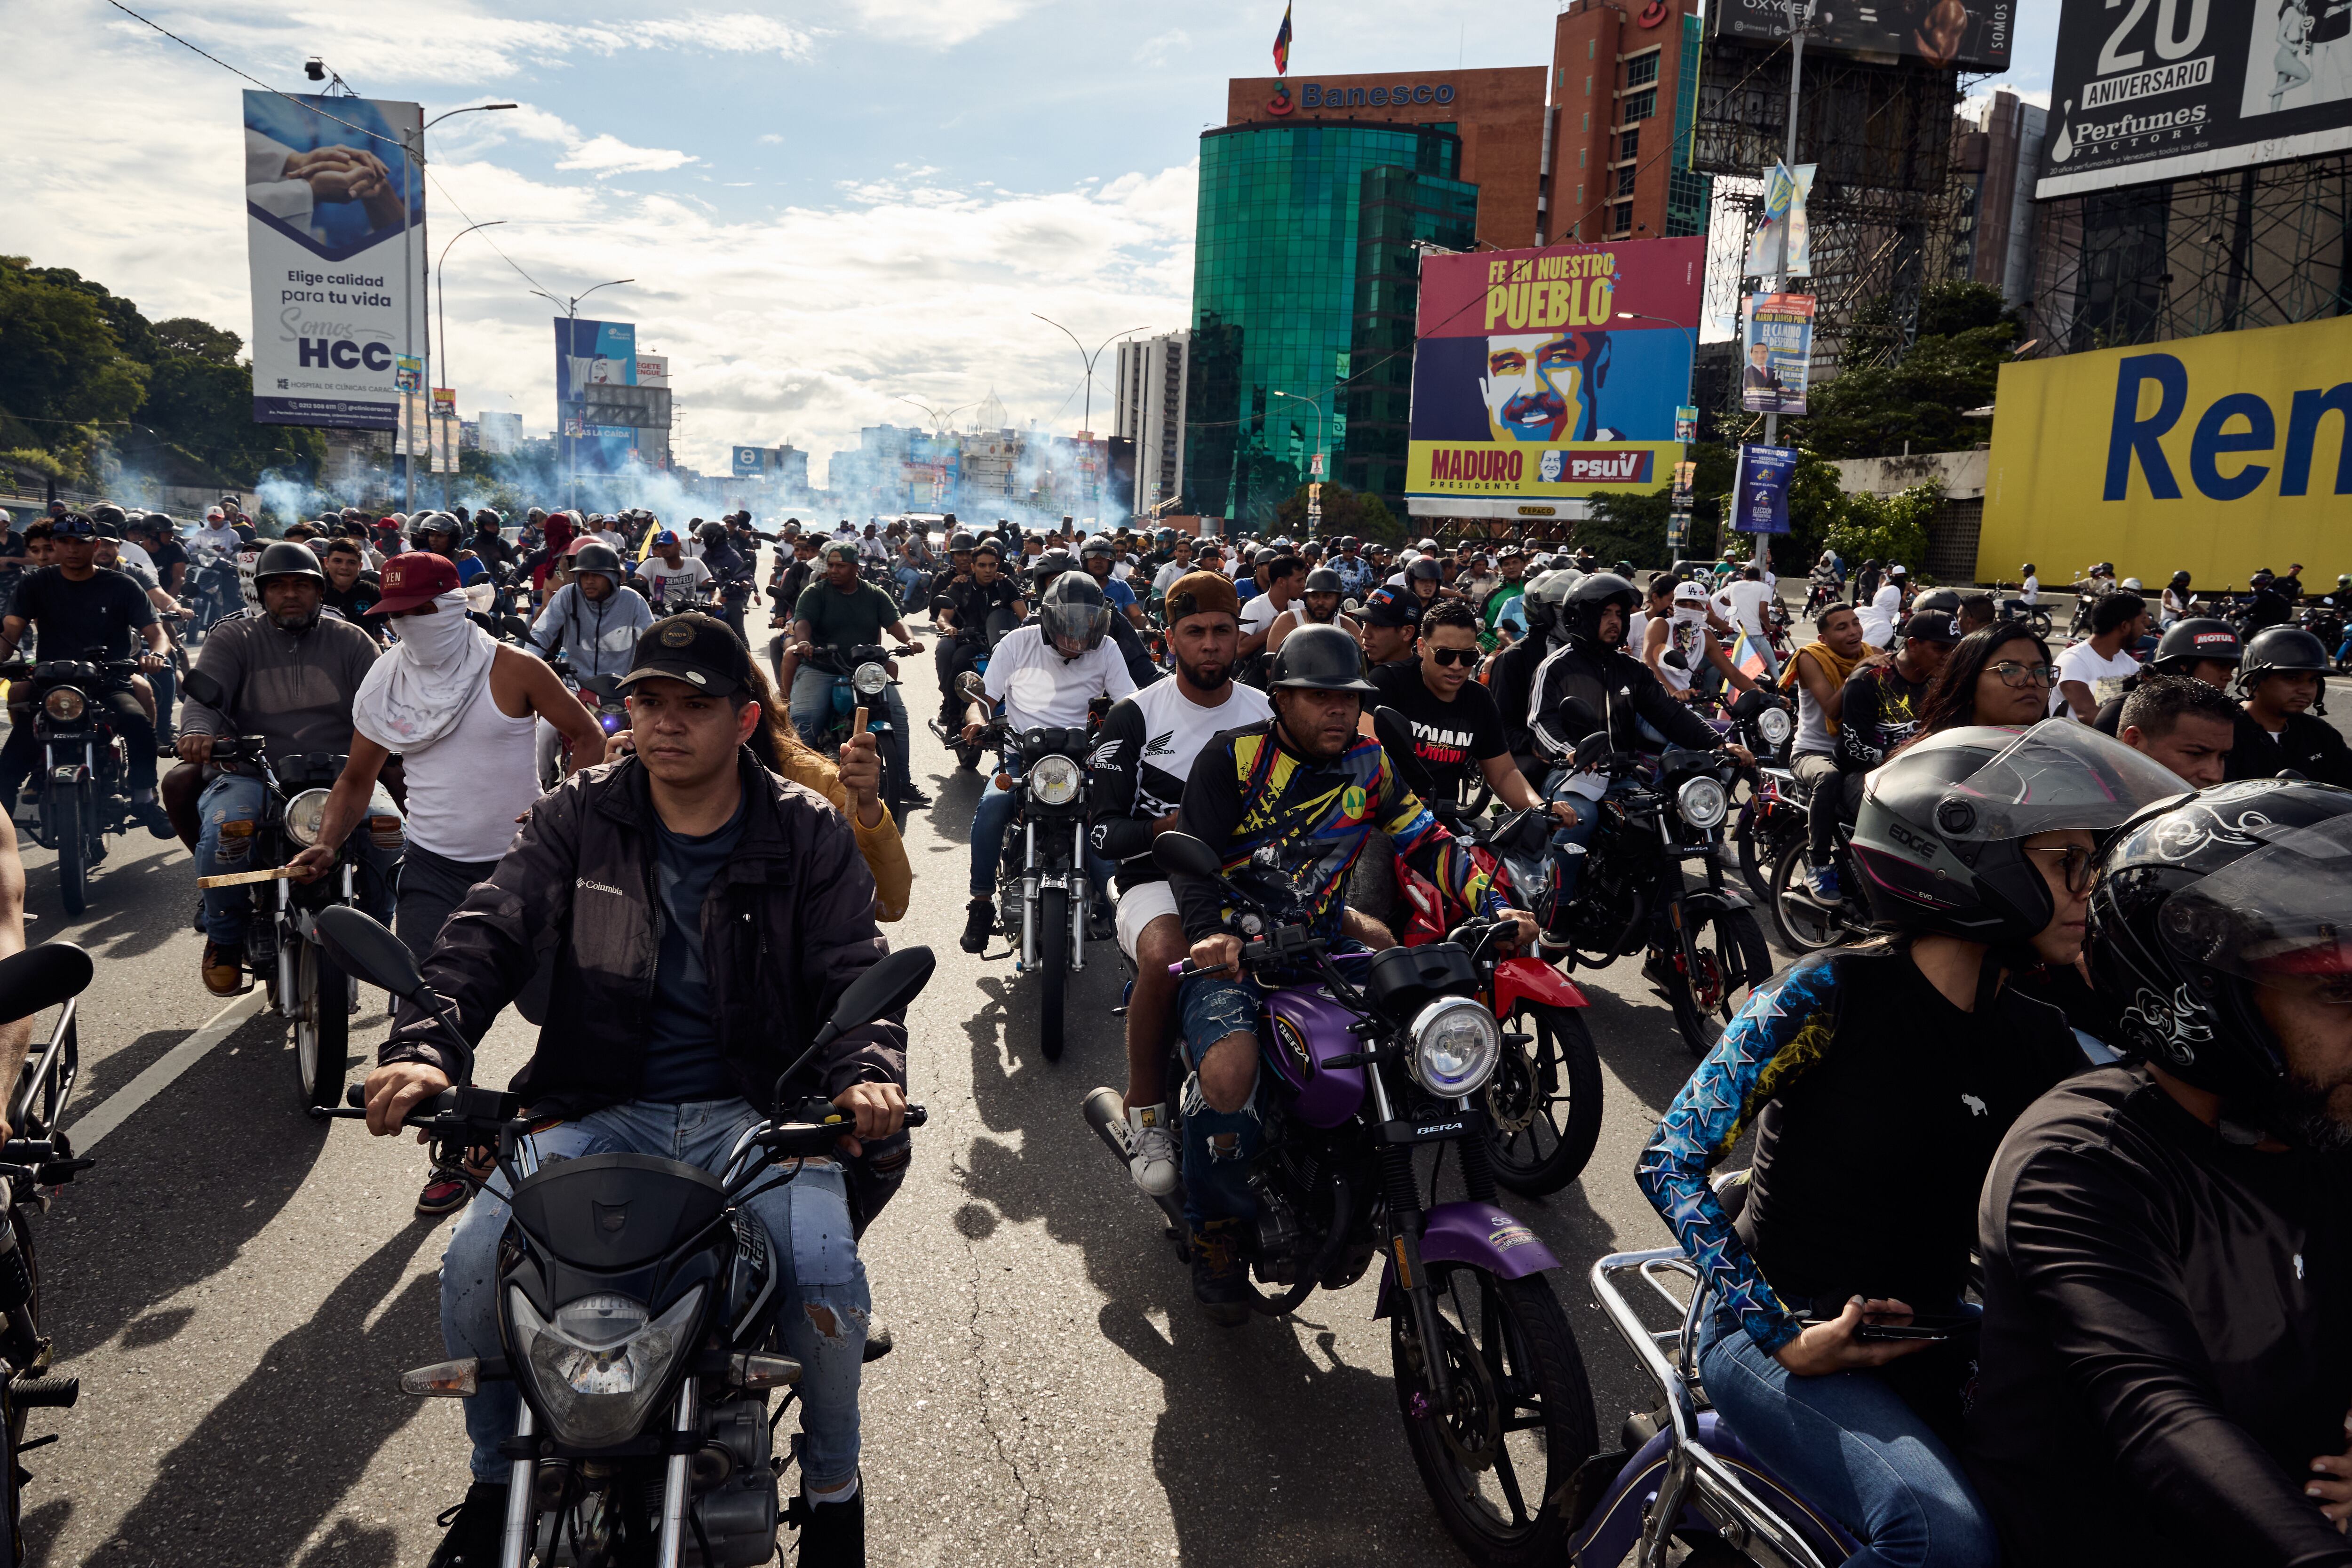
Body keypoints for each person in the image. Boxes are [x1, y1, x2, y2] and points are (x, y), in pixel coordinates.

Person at [364, 614, 905, 1568]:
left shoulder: (806, 828)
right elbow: (489, 927)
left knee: (825, 1275)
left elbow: (851, 963)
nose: (665, 723)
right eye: (648, 701)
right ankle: (495, 1477)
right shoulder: (582, 812)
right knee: (468, 1268)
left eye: (693, 705)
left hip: (758, 1117)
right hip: (592, 1103)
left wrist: (865, 1072)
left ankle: (833, 1491)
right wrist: (426, 1045)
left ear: (744, 720)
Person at [1639, 723, 2186, 1568]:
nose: (2089, 890)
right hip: (1776, 1328)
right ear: (1976, 863)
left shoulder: (2038, 1034)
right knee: (1941, 1540)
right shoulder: (1829, 993)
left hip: (1931, 1325)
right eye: (2066, 863)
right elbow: (1669, 1158)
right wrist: (1781, 1332)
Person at [1967, 777, 2352, 1568]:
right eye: (2338, 991)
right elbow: (2158, 1413)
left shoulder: (2321, 1125)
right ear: (2206, 995)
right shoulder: (2081, 1162)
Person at [1168, 624, 1533, 1321]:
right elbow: (1197, 864)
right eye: (1319, 697)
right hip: (1240, 955)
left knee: (1417, 1047)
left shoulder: (1371, 761)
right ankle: (1214, 1227)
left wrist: (1498, 904)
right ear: (1280, 699)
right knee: (1228, 1074)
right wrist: (1212, 934)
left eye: (1348, 697)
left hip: (1324, 945)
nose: (1338, 710)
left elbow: (1430, 842)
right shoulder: (1235, 758)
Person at [291, 551, 607, 1216]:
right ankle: (458, 1150)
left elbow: (585, 738)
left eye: (420, 611)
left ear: (456, 606)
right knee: (432, 1021)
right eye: (396, 615)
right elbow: (357, 778)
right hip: (432, 870)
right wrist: (326, 842)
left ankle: (541, 1129)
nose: (408, 626)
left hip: (530, 868)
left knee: (565, 1013)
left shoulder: (515, 668)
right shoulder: (386, 681)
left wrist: (557, 809)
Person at [1087, 571, 1271, 1197]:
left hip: (1249, 881)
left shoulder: (1268, 714)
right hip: (1156, 883)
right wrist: (1168, 826)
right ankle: (1145, 1113)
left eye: (1224, 631)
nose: (1212, 644)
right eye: (1196, 632)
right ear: (1170, 640)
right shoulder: (1134, 716)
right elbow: (1102, 837)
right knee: (1167, 957)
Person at [173, 541, 396, 993]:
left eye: (301, 585)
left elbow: (387, 703)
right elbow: (203, 699)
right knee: (226, 830)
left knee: (390, 832)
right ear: (261, 593)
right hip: (253, 771)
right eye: (278, 586)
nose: (290, 594)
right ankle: (224, 938)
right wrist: (197, 732)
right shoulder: (233, 638)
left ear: (320, 591)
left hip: (344, 774)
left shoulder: (352, 639)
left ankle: (378, 927)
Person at [1528, 573, 1751, 927]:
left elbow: (1671, 714)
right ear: (1580, 616)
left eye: (1619, 613)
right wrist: (1571, 752)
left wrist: (1719, 744)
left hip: (1623, 774)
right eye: (1605, 613)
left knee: (1666, 824)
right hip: (1572, 774)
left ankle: (1663, 934)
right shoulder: (1557, 666)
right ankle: (1557, 912)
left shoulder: (1630, 669)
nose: (1616, 621)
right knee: (1579, 821)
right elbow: (1541, 721)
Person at [957, 572, 1134, 952]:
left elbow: (1128, 704)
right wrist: (976, 722)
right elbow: (983, 699)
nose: (1078, 636)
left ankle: (1117, 908)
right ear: (1050, 617)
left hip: (1082, 758)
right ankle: (981, 903)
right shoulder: (1017, 643)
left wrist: (1139, 735)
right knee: (993, 806)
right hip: (1022, 754)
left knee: (1104, 828)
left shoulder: (1106, 650)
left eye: (1086, 625)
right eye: (1069, 624)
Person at [0, 512, 172, 830]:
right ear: (54, 545)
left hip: (109, 680)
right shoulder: (36, 583)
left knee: (137, 723)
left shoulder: (123, 585)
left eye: (80, 542)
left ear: (95, 546)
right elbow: (10, 633)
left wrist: (157, 656)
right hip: (50, 684)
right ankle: (3, 833)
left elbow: (157, 634)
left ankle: (145, 797)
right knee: (9, 762)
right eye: (64, 542)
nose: (72, 549)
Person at [1369, 597, 1576, 830]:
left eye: (1468, 657)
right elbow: (1362, 759)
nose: (1457, 666)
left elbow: (1504, 774)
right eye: (1445, 655)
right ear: (1420, 647)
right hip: (1383, 823)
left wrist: (1540, 807)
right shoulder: (1387, 682)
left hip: (1442, 829)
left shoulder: (1480, 699)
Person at [782, 543, 929, 812]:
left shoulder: (874, 594)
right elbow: (802, 623)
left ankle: (903, 780)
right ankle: (795, 782)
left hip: (866, 672)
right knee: (804, 717)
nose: (834, 571)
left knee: (898, 716)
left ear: (855, 568)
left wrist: (910, 640)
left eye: (841, 566)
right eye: (831, 565)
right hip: (822, 668)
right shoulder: (816, 593)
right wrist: (804, 644)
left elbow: (895, 621)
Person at [1780, 602, 1874, 900]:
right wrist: (1860, 673)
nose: (1853, 631)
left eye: (1855, 623)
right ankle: (1818, 866)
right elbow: (1833, 710)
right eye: (1842, 627)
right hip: (1813, 753)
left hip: (1860, 751)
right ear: (1823, 638)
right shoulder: (1810, 657)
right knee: (1829, 777)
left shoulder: (1872, 655)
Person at [2228, 625, 2352, 785]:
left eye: (2313, 680)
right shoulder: (2223, 731)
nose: (2305, 690)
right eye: (2292, 678)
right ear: (2253, 682)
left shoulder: (2319, 733)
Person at [929, 538, 1025, 742]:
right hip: (972, 642)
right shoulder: (961, 586)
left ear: (998, 565)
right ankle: (954, 718)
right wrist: (949, 628)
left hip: (1003, 642)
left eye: (992, 565)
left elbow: (1024, 616)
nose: (988, 570)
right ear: (973, 567)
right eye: (982, 565)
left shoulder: (1006, 584)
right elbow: (943, 617)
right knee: (959, 663)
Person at [1907, 623, 2059, 747]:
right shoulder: (1929, 761)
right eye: (2010, 670)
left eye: (2040, 672)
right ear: (1967, 683)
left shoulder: (2062, 759)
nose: (2032, 681)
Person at [2089, 616, 2240, 735]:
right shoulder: (2123, 711)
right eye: (2220, 666)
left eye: (2231, 668)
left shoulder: (2227, 718)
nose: (2229, 677)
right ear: (2182, 665)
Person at [2110, 672, 2239, 788]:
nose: (2215, 775)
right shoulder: (2093, 808)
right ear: (2134, 742)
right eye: (2196, 754)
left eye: (2222, 757)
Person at [1644, 579, 1757, 702]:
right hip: (1652, 698)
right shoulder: (1661, 625)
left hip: (1683, 703)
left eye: (1695, 605)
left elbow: (1734, 675)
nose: (1688, 609)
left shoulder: (1706, 637)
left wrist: (1763, 694)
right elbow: (1648, 661)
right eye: (1683, 604)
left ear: (1704, 609)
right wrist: (1672, 692)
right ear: (1674, 605)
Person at [2051, 591, 2150, 721]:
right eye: (2142, 622)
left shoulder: (2124, 660)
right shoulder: (2073, 660)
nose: (2146, 629)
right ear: (2125, 626)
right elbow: (2088, 715)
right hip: (2070, 741)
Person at [1264, 566, 1359, 653]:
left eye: (1327, 597)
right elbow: (1272, 668)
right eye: (1314, 596)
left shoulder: (1347, 626)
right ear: (1307, 598)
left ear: (1338, 599)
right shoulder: (1288, 621)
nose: (1320, 602)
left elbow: (1365, 661)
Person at [317, 535, 385, 639]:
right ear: (327, 562)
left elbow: (393, 623)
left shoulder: (370, 591)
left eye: (351, 563)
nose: (344, 567)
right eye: (338, 561)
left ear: (360, 567)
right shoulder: (316, 591)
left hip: (365, 653)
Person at [634, 529, 714, 612]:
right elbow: (635, 588)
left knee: (704, 619)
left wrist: (715, 601)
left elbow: (714, 588)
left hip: (689, 613)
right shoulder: (651, 564)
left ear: (678, 545)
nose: (663, 548)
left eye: (667, 545)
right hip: (660, 615)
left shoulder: (695, 563)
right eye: (660, 546)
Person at [1357, 583, 1421, 670]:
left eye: (1377, 626)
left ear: (1407, 633)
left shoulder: (1428, 678)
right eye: (1365, 622)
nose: (1364, 634)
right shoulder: (1353, 665)